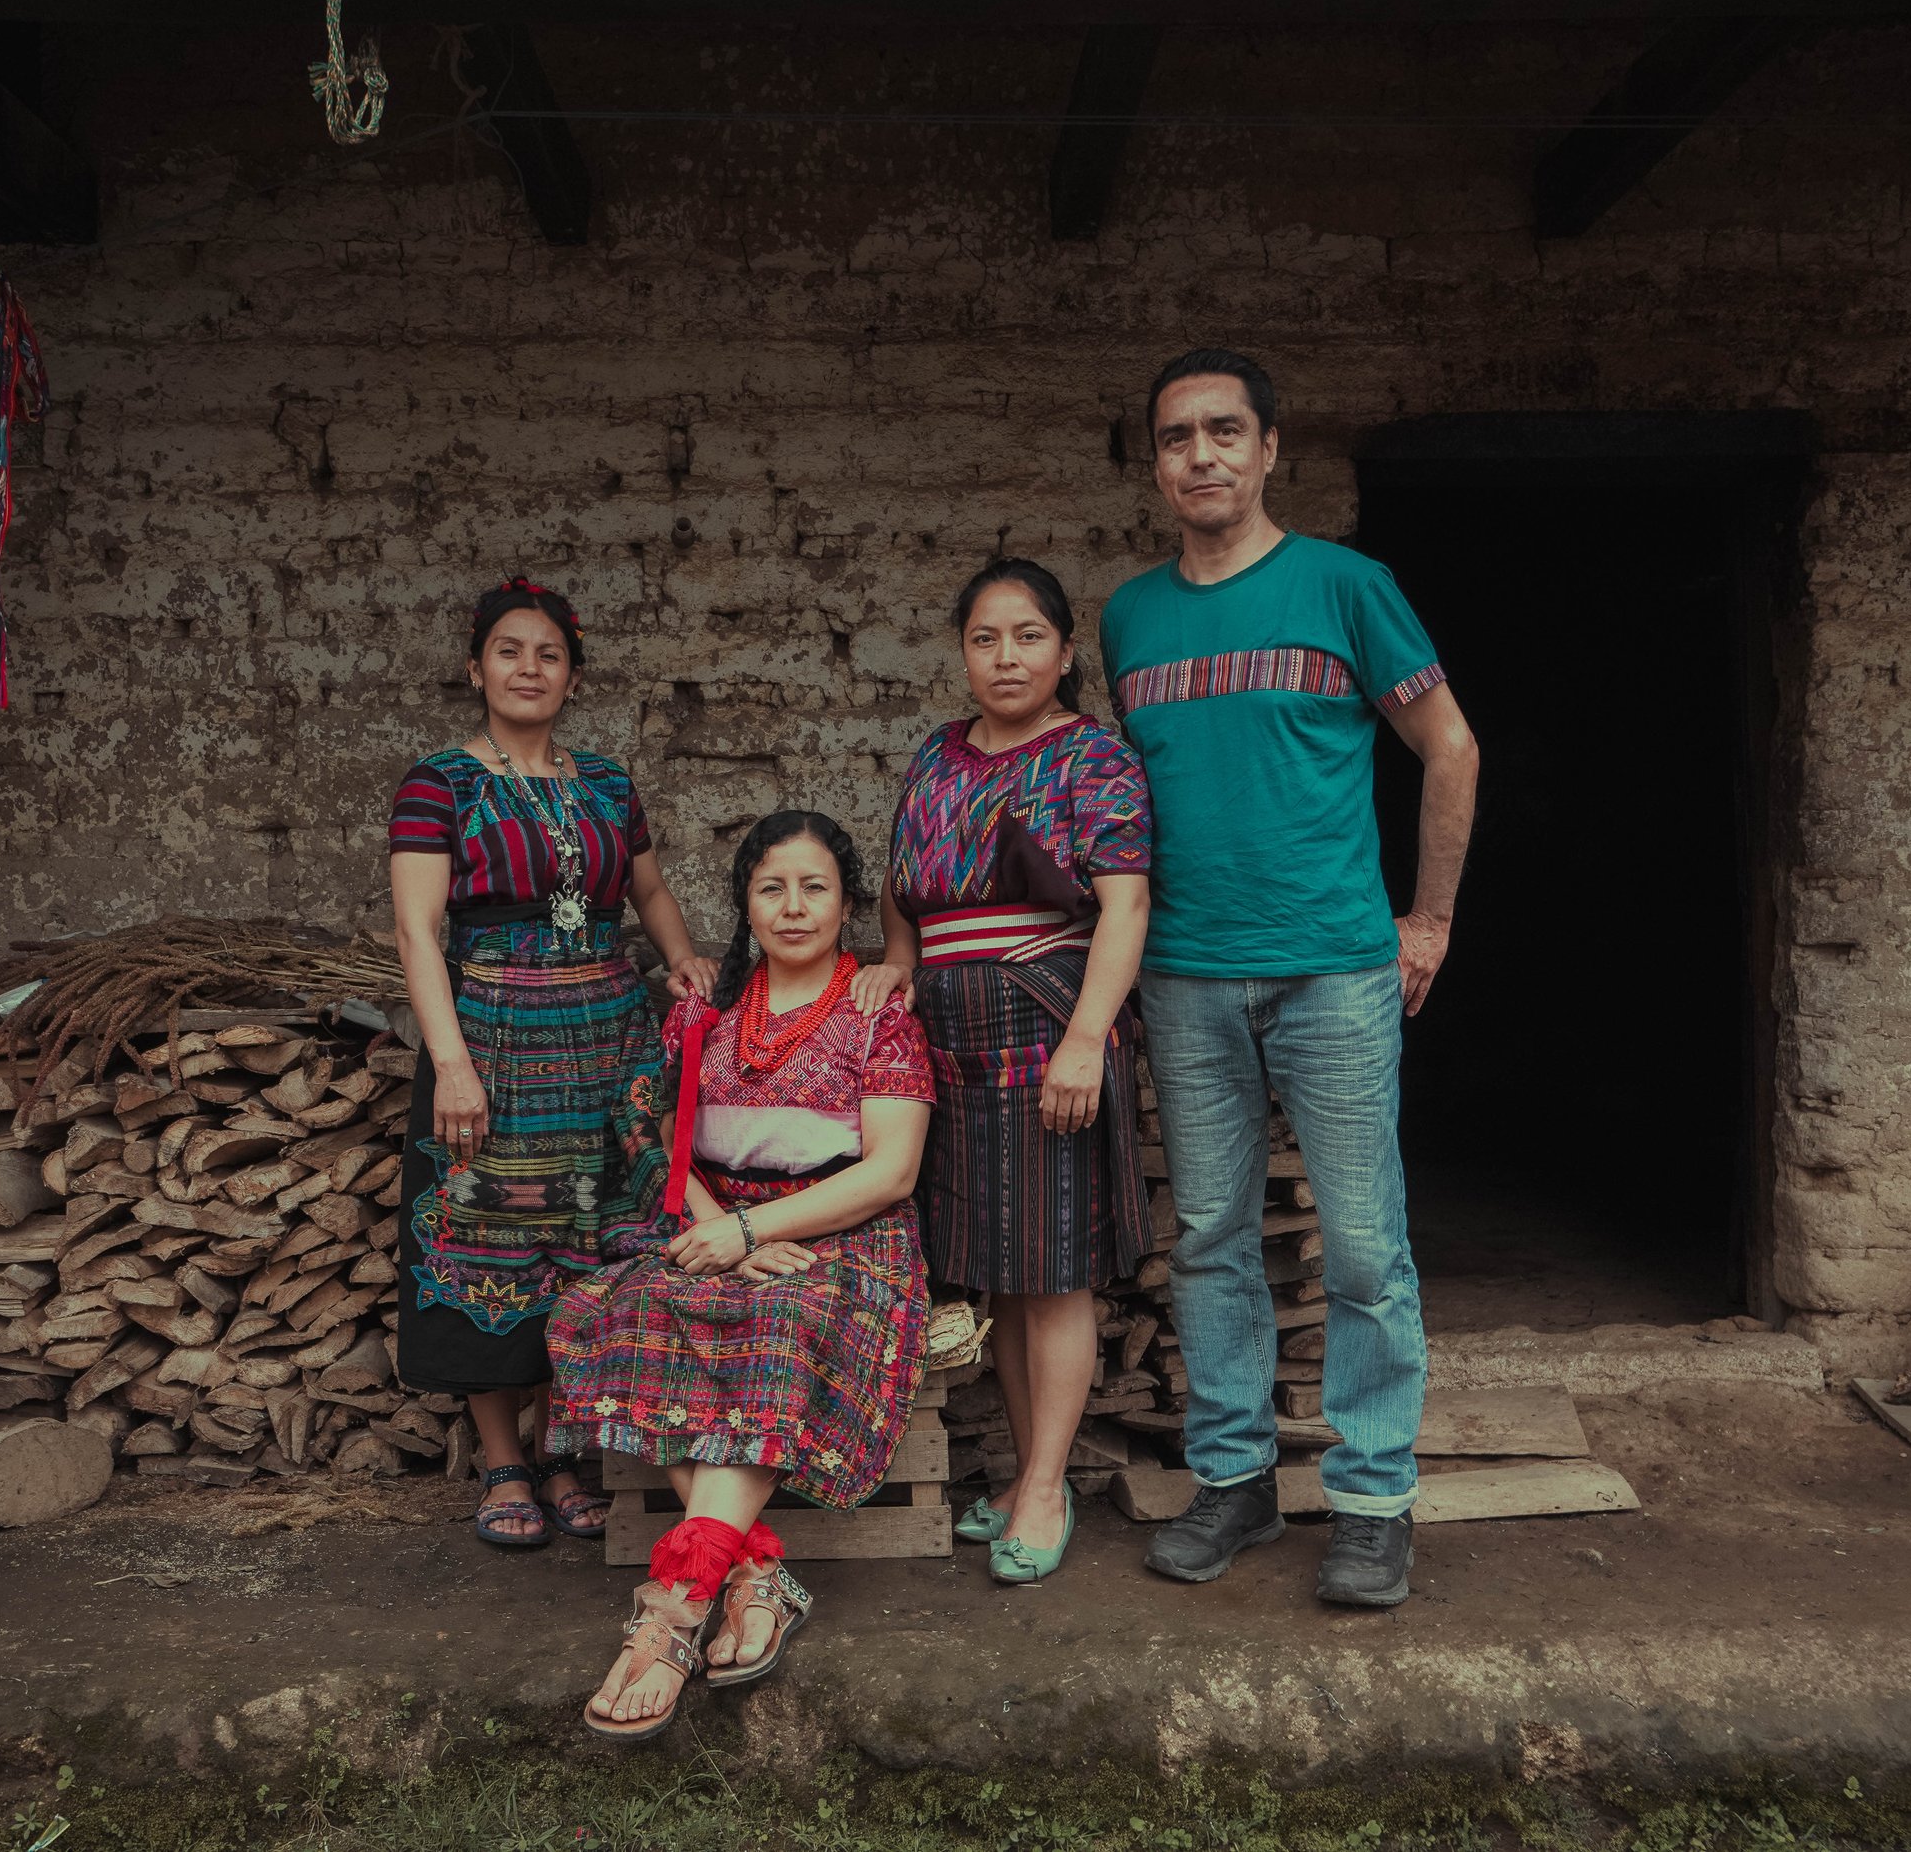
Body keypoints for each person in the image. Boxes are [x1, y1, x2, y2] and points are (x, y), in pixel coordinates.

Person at [1100, 349, 1480, 1608]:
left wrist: (1425, 920)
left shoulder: (1345, 587)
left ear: (1271, 450)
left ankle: (1372, 1500)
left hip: (1332, 968)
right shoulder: (1130, 617)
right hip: (1187, 974)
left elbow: (1450, 746)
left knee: (1364, 1247)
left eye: (1224, 432)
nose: (1199, 455)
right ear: (1154, 465)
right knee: (1208, 1240)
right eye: (1175, 437)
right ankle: (1236, 1484)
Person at [549, 811, 935, 1740]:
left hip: (845, 1232)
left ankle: (672, 1611)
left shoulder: (878, 1013)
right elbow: (652, 1132)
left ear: (847, 902)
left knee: (777, 1315)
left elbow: (890, 1171)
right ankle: (756, 1575)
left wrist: (758, 1230)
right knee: (640, 1302)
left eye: (815, 887)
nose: (794, 907)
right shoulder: (702, 1009)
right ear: (745, 904)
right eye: (772, 887)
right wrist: (727, 1229)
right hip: (718, 1220)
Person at [388, 578, 719, 1548]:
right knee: (489, 1239)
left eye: (548, 654)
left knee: (595, 1239)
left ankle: (568, 1450)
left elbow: (649, 894)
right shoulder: (439, 783)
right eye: (508, 650)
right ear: (475, 667)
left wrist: (682, 957)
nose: (528, 668)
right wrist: (450, 1065)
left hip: (608, 1045)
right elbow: (416, 930)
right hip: (489, 1040)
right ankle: (502, 1460)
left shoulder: (608, 784)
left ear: (572, 675)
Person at [854, 558, 1151, 1584]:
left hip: (1044, 1023)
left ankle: (1039, 1486)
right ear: (963, 655)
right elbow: (902, 885)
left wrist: (1086, 1036)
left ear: (1065, 653)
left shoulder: (1093, 760)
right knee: (1002, 1271)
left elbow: (1124, 906)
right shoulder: (937, 757)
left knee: (1056, 1268)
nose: (1006, 656)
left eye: (1027, 636)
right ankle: (1037, 1473)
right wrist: (898, 960)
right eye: (985, 638)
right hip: (949, 1036)